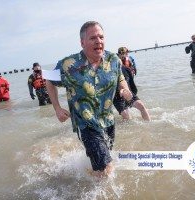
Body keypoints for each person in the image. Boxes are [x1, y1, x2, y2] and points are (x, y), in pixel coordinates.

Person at [45, 21, 133, 177]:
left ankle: (91, 175)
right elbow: (49, 81)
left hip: (108, 120)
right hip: (85, 123)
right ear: (82, 42)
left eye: (101, 37)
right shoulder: (67, 65)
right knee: (107, 167)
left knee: (102, 162)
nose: (98, 41)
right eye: (93, 38)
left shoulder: (113, 60)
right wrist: (57, 109)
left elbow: (120, 77)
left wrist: (124, 88)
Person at [114, 47, 151, 121]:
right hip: (117, 97)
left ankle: (150, 124)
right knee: (126, 116)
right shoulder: (109, 73)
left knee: (141, 106)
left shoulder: (127, 69)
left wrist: (133, 94)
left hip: (128, 92)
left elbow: (132, 84)